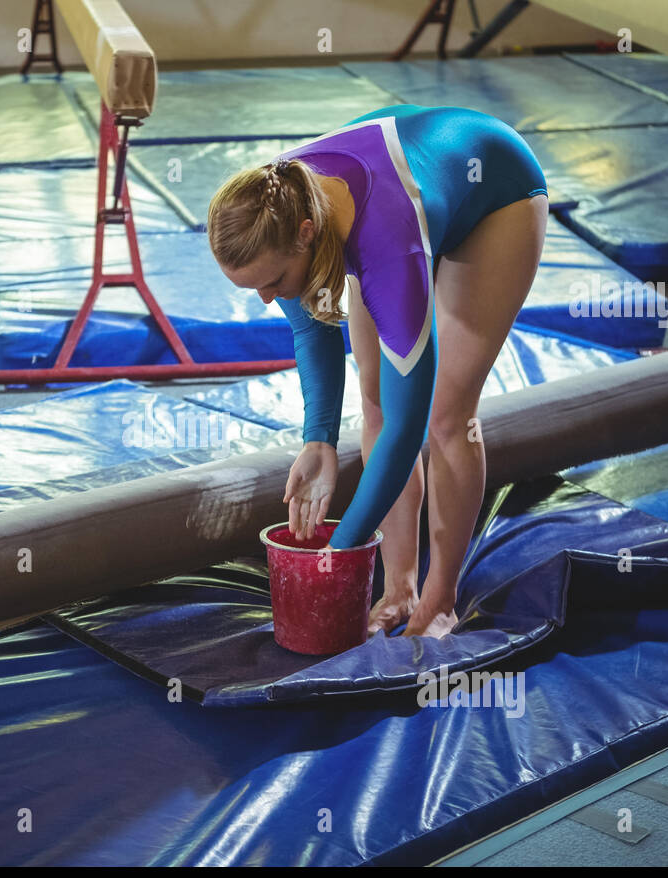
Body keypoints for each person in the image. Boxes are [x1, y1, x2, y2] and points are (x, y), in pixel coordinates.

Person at [207, 105, 548, 638]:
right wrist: (318, 442)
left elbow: (408, 428)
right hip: (399, 186)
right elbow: (311, 329)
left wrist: (337, 556)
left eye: (272, 282)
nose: (268, 298)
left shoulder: (388, 240)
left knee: (445, 416)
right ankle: (398, 587)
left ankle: (437, 600)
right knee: (374, 399)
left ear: (306, 234)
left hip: (496, 191)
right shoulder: (275, 205)